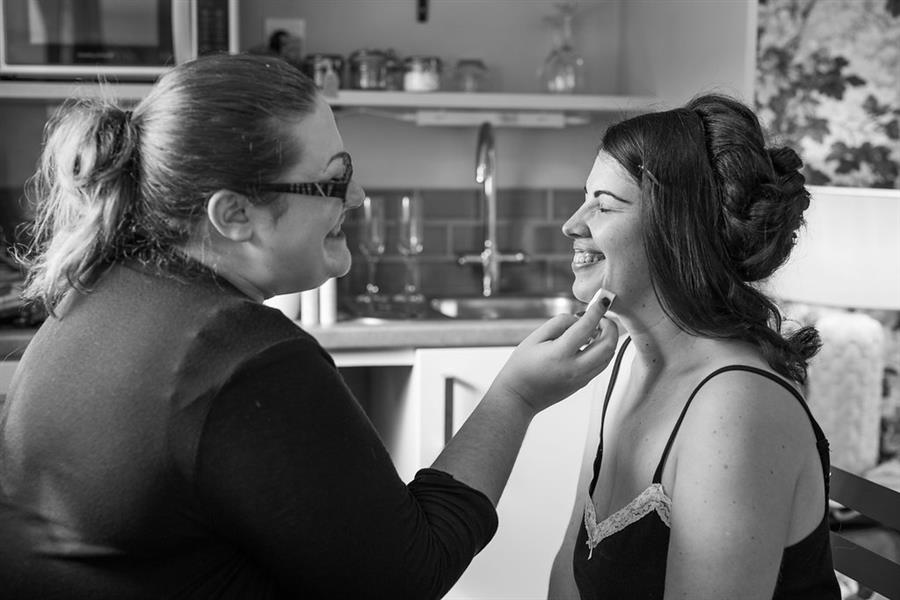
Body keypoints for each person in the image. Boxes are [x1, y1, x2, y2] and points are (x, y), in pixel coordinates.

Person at [0, 53, 619, 599]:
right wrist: (514, 396)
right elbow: (407, 577)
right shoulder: (241, 359)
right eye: (334, 180)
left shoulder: (97, 294)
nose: (355, 200)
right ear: (235, 214)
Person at [548, 94, 841, 599]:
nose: (572, 225)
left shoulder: (737, 409)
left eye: (604, 204)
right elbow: (568, 578)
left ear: (675, 228)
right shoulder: (625, 364)